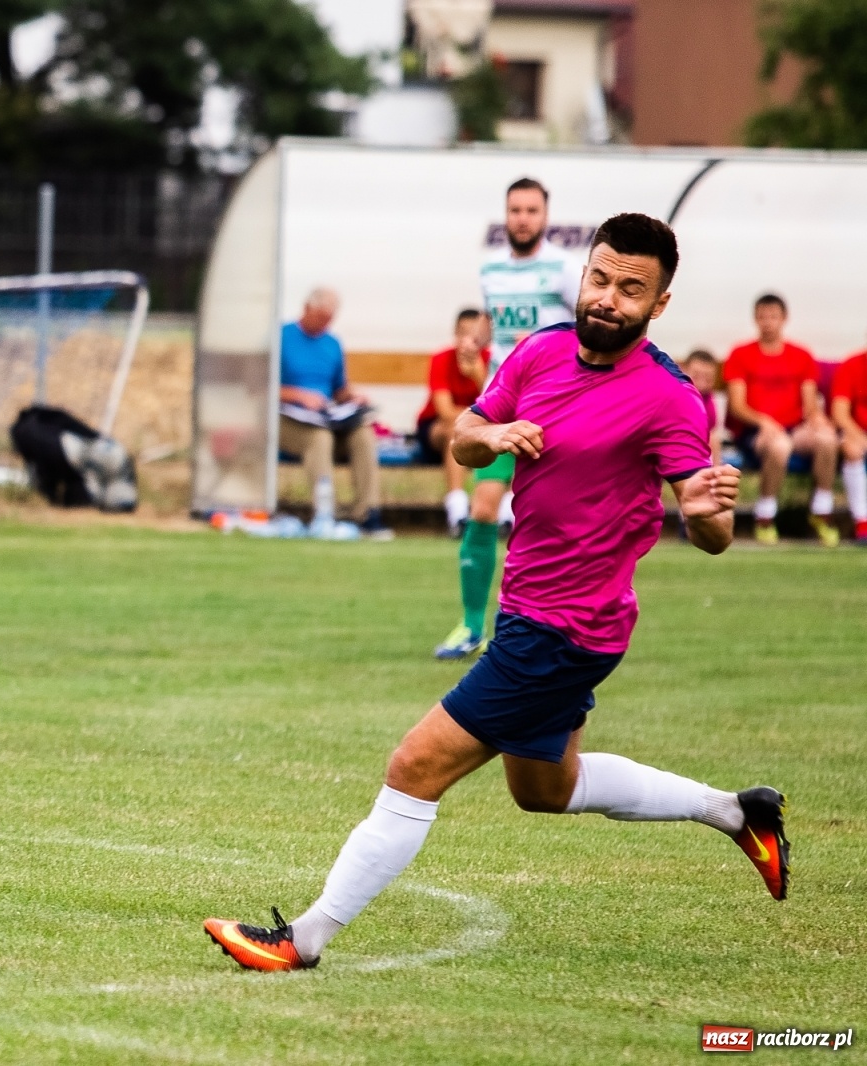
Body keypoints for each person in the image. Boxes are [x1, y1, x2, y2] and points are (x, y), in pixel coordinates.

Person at [205, 213, 788, 974]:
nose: (608, 298)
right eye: (601, 278)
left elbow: (712, 534)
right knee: (545, 788)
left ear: (660, 304)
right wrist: (496, 435)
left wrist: (707, 513)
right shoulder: (540, 351)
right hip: (532, 611)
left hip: (565, 628)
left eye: (631, 289)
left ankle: (302, 940)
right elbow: (464, 437)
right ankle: (738, 813)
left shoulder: (671, 398)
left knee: (415, 766)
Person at [435, 177, 582, 660]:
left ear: (545, 216)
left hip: (553, 409)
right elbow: (493, 315)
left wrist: (555, 354)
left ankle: (558, 626)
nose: (522, 218)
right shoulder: (492, 269)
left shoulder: (564, 269)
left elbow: (590, 326)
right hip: (502, 406)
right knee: (483, 510)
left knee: (551, 519)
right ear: (506, 215)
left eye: (531, 210)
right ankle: (471, 625)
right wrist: (475, 340)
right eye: (515, 210)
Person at [723, 294, 839, 547]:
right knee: (779, 445)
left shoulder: (802, 355)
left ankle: (821, 512)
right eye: (762, 317)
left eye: (773, 316)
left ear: (784, 319)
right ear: (755, 319)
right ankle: (765, 516)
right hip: (755, 431)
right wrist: (764, 422)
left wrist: (819, 421)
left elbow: (810, 405)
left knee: (827, 439)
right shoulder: (740, 354)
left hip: (793, 429)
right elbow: (737, 406)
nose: (768, 322)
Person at [278, 287, 393, 540]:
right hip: (289, 419)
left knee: (363, 435)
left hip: (326, 417)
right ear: (306, 309)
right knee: (319, 439)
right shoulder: (281, 337)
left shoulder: (332, 344)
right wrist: (299, 395)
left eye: (329, 320)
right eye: (321, 318)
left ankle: (368, 513)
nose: (325, 325)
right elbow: (262, 387)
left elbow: (338, 389)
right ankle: (325, 512)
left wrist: (352, 397)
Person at [417, 309, 490, 536]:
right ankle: (457, 510)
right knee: (454, 430)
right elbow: (445, 412)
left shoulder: (492, 360)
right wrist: (478, 417)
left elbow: (500, 404)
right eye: (462, 333)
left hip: (481, 429)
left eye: (474, 335)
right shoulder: (442, 359)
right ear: (455, 334)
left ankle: (506, 510)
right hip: (437, 429)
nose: (467, 341)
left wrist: (478, 374)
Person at [832, 346, 867, 544]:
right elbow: (840, 413)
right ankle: (862, 521)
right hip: (856, 433)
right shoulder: (852, 366)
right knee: (852, 450)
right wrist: (860, 437)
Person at [681, 349, 724, 456]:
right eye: (696, 377)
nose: (701, 385)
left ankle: (715, 467)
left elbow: (711, 428)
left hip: (698, 443)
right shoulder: (676, 394)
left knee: (714, 439)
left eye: (708, 379)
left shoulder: (708, 399)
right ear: (683, 371)